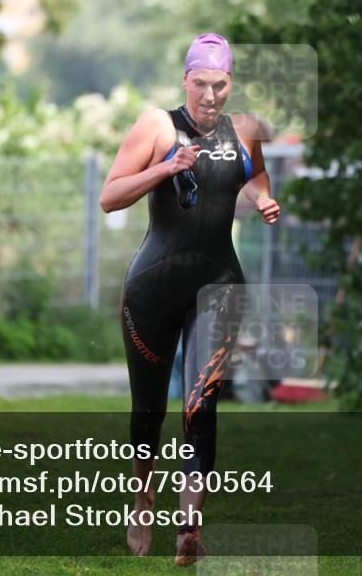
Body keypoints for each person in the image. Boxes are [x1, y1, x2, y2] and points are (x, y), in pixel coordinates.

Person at [99, 32, 280, 566]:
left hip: (220, 284)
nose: (209, 95)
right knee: (148, 413)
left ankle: (188, 526)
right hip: (152, 288)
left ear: (230, 84)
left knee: (201, 406)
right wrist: (165, 167)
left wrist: (263, 198)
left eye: (219, 85)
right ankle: (141, 501)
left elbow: (256, 174)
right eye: (200, 83)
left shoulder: (243, 131)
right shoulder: (158, 125)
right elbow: (110, 196)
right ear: (185, 81)